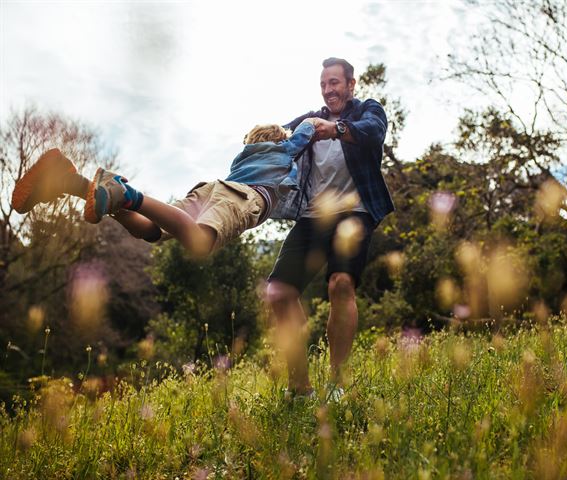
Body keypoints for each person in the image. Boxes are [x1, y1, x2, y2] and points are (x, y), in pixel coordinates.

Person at [266, 57, 394, 399]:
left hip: (355, 211)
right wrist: (259, 145)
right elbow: (278, 139)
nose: (328, 89)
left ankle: (336, 384)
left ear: (351, 85)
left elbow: (373, 133)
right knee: (279, 292)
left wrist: (336, 130)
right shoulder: (310, 120)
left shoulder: (368, 110)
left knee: (340, 284)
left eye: (335, 83)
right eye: (324, 84)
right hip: (312, 215)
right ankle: (300, 386)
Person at [11, 121, 316, 257]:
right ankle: (125, 193)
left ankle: (70, 182)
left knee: (150, 230)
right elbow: (306, 131)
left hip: (214, 189)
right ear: (276, 140)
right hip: (243, 197)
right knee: (200, 242)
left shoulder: (244, 157)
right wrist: (315, 122)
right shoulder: (282, 150)